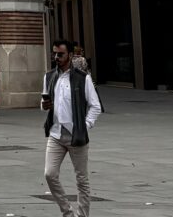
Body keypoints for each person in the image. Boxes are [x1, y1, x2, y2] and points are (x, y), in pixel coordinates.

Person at [42, 38, 101, 217]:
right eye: (54, 53)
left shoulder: (83, 79)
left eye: (60, 54)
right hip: (56, 134)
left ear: (70, 55)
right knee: (49, 174)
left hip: (77, 136)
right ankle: (67, 212)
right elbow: (44, 101)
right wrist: (44, 106)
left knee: (82, 180)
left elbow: (95, 106)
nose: (56, 57)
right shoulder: (49, 76)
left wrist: (85, 125)